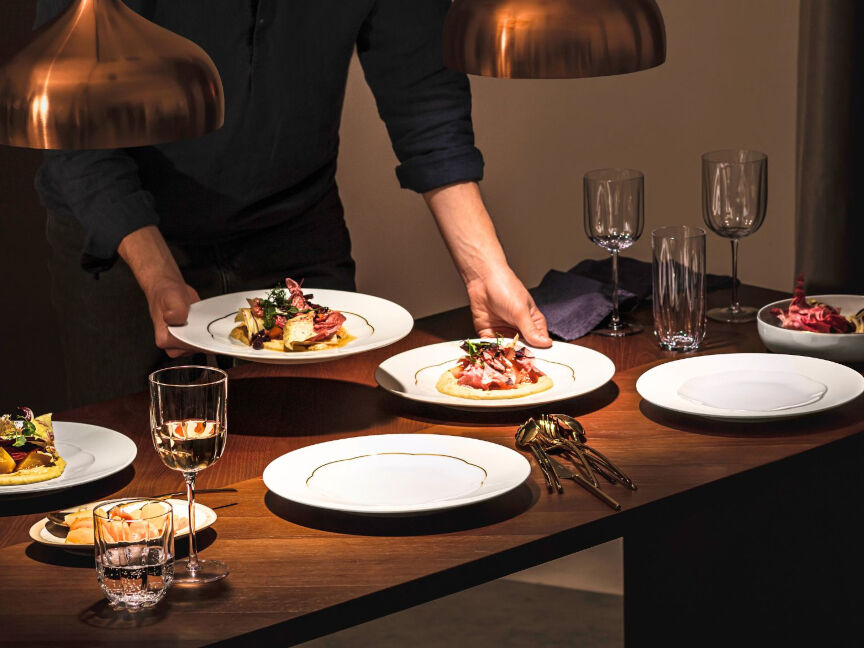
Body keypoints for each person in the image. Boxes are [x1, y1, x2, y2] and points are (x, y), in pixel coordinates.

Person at [36, 0, 551, 408]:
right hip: (124, 239)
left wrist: (485, 272)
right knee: (142, 484)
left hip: (295, 229)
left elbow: (422, 92)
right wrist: (157, 275)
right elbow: (72, 126)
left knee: (327, 457)